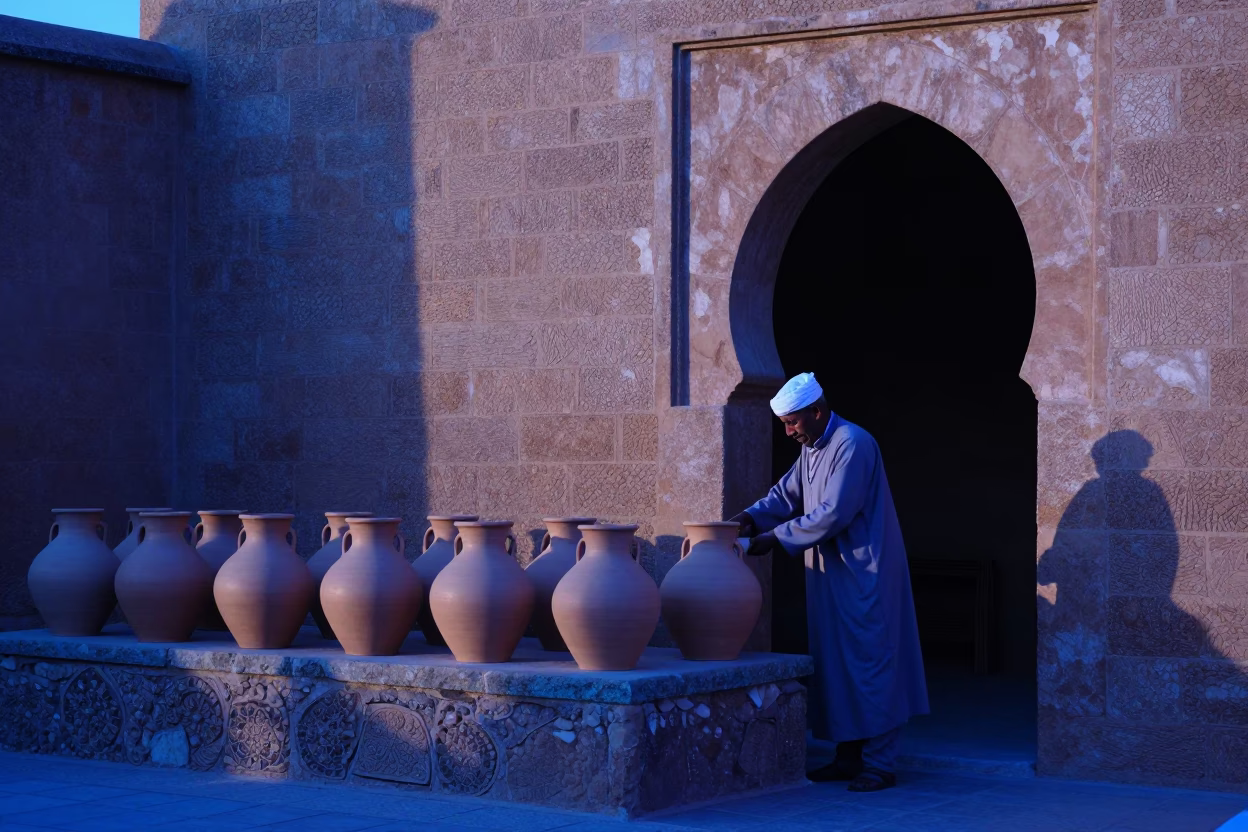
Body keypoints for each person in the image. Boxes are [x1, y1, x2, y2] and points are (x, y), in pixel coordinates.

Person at [731, 372, 928, 792]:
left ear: (817, 411)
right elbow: (786, 495)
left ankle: (879, 764)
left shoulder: (852, 444)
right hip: (830, 574)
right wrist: (747, 518)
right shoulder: (814, 447)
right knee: (837, 664)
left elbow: (834, 512)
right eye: (784, 423)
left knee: (871, 661)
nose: (788, 432)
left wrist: (771, 539)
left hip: (865, 573)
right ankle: (847, 756)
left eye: (793, 422)